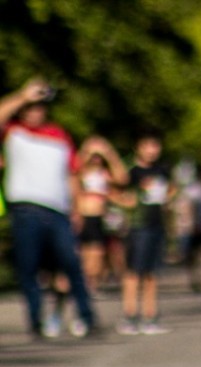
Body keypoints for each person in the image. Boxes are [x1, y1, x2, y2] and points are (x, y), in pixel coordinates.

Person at [0, 78, 99, 339]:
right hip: (26, 209)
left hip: (58, 210)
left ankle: (86, 317)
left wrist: (76, 208)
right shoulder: (13, 131)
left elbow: (71, 175)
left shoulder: (59, 136)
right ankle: (36, 322)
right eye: (31, 108)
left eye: (39, 107)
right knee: (29, 268)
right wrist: (23, 95)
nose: (35, 112)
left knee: (72, 266)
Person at [117, 130, 175, 335]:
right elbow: (114, 189)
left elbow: (172, 190)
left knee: (152, 274)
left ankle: (150, 315)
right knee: (133, 272)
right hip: (138, 226)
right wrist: (126, 203)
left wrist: (169, 200)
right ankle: (129, 315)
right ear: (138, 148)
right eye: (147, 146)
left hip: (157, 225)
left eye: (155, 146)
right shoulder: (132, 172)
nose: (151, 150)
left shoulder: (163, 170)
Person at [75, 136, 131, 296]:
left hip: (99, 217)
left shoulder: (105, 174)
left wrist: (109, 152)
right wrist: (87, 150)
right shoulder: (81, 173)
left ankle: (91, 284)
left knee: (97, 254)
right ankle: (83, 284)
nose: (96, 159)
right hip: (83, 216)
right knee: (83, 253)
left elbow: (122, 178)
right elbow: (74, 169)